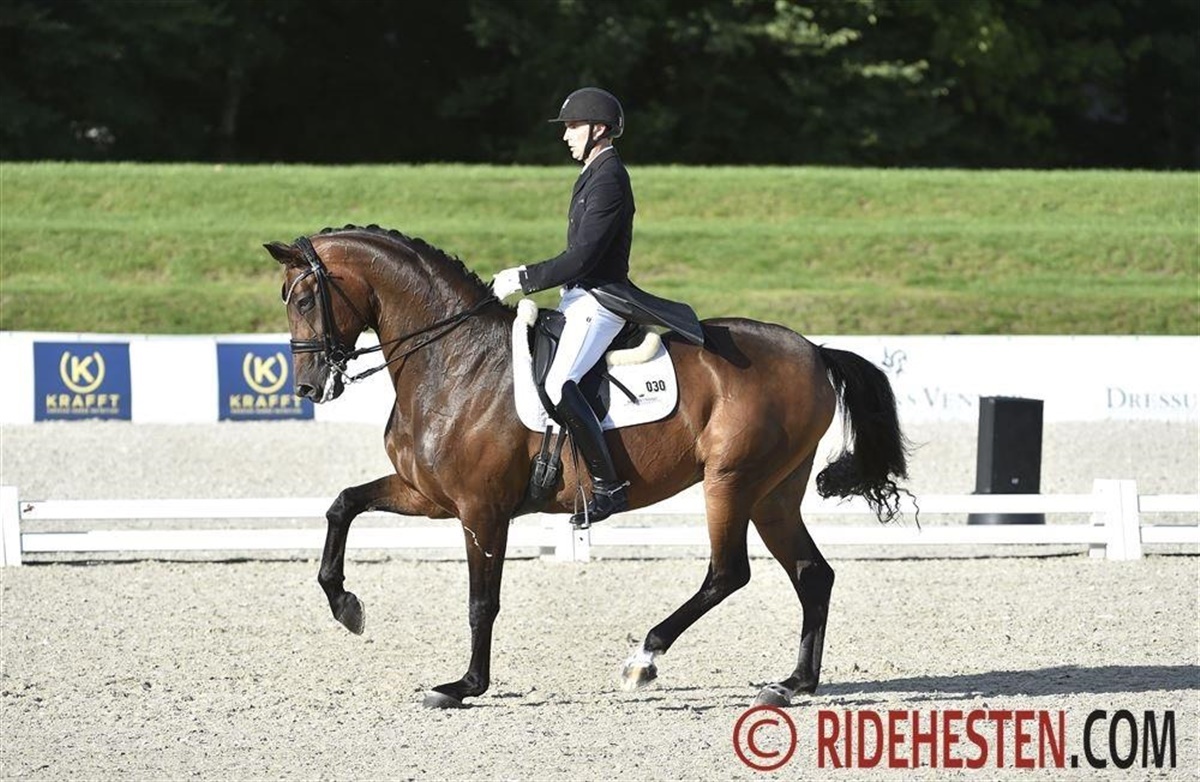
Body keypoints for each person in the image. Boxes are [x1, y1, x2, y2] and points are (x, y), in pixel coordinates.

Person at [490, 87, 703, 526]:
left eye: (573, 126)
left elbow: (583, 258)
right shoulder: (593, 173)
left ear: (599, 129)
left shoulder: (609, 178)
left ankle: (608, 487)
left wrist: (524, 278)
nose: (565, 135)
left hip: (601, 301)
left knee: (558, 384)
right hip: (579, 298)